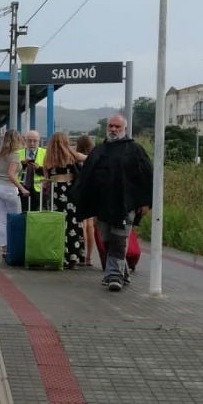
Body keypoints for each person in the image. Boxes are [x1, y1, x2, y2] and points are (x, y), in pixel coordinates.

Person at [73, 114, 153, 292]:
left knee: (119, 238)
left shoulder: (134, 150)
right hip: (102, 205)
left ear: (124, 128)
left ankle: (113, 276)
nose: (114, 129)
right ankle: (122, 271)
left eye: (117, 126)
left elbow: (146, 176)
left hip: (126, 204)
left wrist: (146, 202)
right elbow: (87, 177)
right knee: (107, 239)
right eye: (111, 126)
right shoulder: (98, 151)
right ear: (106, 127)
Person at [44, 132, 87, 269]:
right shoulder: (71, 155)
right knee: (73, 223)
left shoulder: (48, 158)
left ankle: (58, 255)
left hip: (55, 193)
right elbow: (89, 158)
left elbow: (46, 177)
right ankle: (73, 256)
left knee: (56, 223)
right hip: (70, 192)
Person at [0, 130, 30, 258]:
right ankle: (14, 247)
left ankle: (4, 249)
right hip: (9, 190)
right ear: (16, 140)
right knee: (15, 219)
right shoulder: (14, 154)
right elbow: (11, 175)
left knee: (2, 219)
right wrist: (22, 189)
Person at [75, 134, 97, 266]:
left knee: (82, 224)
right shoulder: (95, 157)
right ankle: (89, 257)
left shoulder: (76, 158)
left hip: (81, 193)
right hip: (93, 192)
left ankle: (81, 255)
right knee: (91, 226)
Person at [20, 130, 47, 212]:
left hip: (39, 189)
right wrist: (23, 165)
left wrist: (39, 169)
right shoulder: (18, 153)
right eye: (29, 140)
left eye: (35, 141)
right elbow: (12, 172)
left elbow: (49, 171)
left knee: (38, 214)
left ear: (39, 141)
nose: (32, 143)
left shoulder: (45, 153)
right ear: (25, 140)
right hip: (22, 188)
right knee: (23, 212)